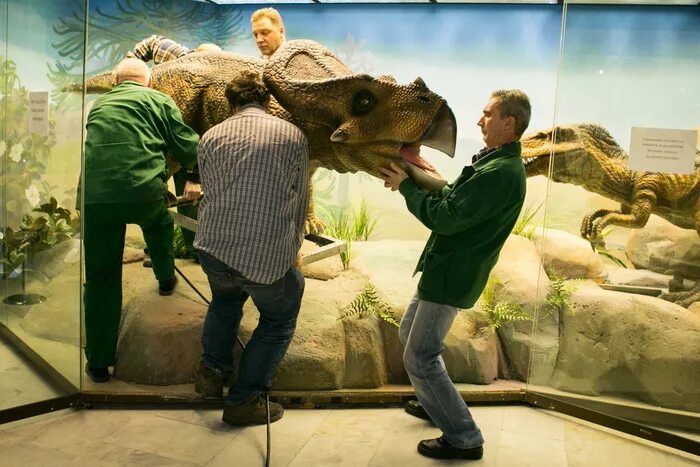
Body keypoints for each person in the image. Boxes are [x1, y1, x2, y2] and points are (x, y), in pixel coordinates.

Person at [379, 89, 531, 460]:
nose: (480, 120)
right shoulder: (495, 164)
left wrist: (406, 188)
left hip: (451, 274)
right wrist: (422, 176)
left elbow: (446, 217)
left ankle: (464, 436)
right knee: (409, 335)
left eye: (487, 114)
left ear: (508, 122)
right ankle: (436, 405)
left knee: (420, 356)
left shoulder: (499, 172)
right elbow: (456, 202)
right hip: (446, 268)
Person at [193, 70, 309, 426]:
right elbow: (300, 198)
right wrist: (292, 248)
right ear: (268, 101)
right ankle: (245, 400)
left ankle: (212, 375)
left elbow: (209, 190)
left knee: (225, 301)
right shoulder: (292, 135)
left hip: (213, 248)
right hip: (262, 255)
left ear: (231, 103)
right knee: (278, 317)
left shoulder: (210, 136)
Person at [82, 58, 200, 383]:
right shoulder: (158, 99)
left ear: (116, 82)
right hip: (143, 193)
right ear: (148, 82)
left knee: (100, 276)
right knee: (159, 222)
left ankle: (99, 362)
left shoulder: (99, 105)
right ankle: (165, 279)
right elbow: (188, 147)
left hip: (96, 198)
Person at [127, 35, 221, 261]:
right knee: (155, 195)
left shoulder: (215, 86)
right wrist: (131, 66)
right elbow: (151, 42)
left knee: (190, 198)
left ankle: (195, 251)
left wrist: (195, 174)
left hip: (185, 144)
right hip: (158, 142)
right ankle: (157, 252)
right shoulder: (179, 58)